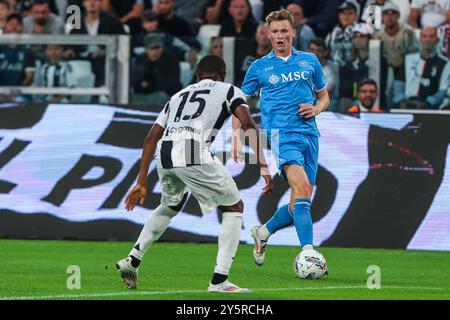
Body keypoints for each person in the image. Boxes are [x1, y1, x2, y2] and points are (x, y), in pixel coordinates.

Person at [116, 54, 273, 292]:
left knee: (171, 205)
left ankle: (133, 259)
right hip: (192, 151)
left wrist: (141, 181)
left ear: (197, 76)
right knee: (234, 207)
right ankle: (219, 281)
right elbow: (247, 123)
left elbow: (151, 138)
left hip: (165, 153)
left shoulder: (177, 96)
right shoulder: (229, 90)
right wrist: (263, 163)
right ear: (223, 75)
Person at [236, 9, 330, 266]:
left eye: (283, 31)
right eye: (274, 32)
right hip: (281, 136)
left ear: (293, 32)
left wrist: (316, 108)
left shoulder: (309, 61)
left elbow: (324, 97)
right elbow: (238, 102)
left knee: (300, 202)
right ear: (268, 35)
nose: (279, 36)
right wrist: (237, 135)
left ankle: (263, 232)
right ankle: (309, 253)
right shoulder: (259, 67)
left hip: (310, 134)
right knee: (301, 188)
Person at [394, 27, 450, 109]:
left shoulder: (445, 63)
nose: (427, 39)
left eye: (431, 36)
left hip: (429, 106)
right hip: (407, 103)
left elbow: (442, 90)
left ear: (437, 40)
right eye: (424, 36)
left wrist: (428, 103)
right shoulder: (408, 59)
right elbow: (399, 82)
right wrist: (401, 100)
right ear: (420, 39)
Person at [131, 32, 181, 106]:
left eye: (158, 47)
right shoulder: (140, 59)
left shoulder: (170, 59)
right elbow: (136, 84)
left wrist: (148, 85)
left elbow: (170, 84)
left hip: (167, 97)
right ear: (146, 49)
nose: (155, 51)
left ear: (162, 47)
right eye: (152, 48)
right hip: (143, 97)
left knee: (161, 96)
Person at [325, 0, 359, 67]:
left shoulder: (360, 32)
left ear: (356, 16)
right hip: (334, 69)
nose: (346, 16)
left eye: (350, 13)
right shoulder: (332, 32)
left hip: (354, 69)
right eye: (343, 13)